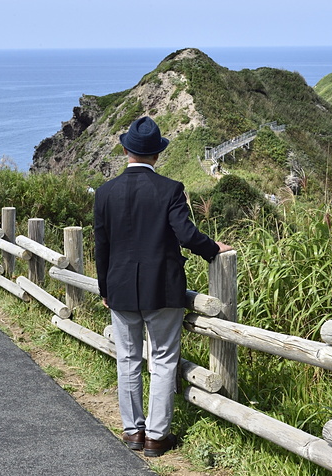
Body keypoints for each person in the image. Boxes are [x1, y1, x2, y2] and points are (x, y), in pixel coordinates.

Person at [94, 116, 233, 457]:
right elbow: (186, 235)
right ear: (157, 155)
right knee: (163, 360)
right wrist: (215, 249)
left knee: (127, 360)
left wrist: (105, 290)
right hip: (163, 289)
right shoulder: (170, 189)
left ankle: (132, 432)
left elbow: (101, 246)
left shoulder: (105, 192)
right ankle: (157, 437)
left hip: (121, 288)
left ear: (126, 150)